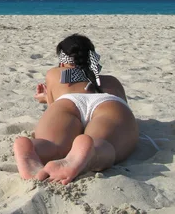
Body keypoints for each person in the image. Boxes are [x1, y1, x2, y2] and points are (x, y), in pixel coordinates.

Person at [14, 34, 138, 185]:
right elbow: (125, 115)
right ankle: (91, 151)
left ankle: (34, 148)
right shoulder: (112, 81)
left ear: (62, 61)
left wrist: (45, 97)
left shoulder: (54, 74)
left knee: (54, 145)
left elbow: (53, 104)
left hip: (67, 102)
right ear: (92, 58)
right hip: (108, 103)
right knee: (105, 145)